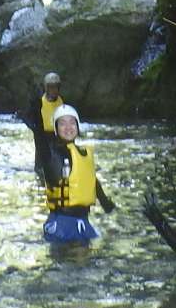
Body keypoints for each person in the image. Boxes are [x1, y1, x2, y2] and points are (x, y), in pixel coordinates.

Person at [22, 103, 115, 242]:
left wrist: (105, 202)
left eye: (72, 123)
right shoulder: (51, 155)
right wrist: (37, 123)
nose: (68, 128)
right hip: (61, 223)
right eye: (62, 124)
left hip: (83, 222)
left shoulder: (84, 154)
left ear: (78, 127)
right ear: (56, 129)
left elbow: (92, 181)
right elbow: (41, 142)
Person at [26, 71, 69, 180]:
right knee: (42, 164)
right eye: (51, 87)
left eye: (56, 87)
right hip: (43, 136)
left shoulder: (63, 102)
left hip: (58, 136)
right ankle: (40, 172)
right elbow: (31, 117)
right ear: (46, 88)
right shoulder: (39, 102)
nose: (54, 90)